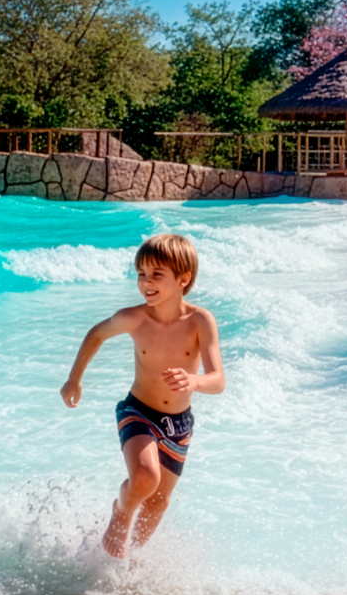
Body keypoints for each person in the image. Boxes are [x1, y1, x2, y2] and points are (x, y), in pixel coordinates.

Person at [60, 234, 225, 558]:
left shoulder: (200, 321)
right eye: (141, 274)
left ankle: (130, 560)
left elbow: (218, 381)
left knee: (159, 502)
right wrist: (74, 379)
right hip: (138, 412)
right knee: (145, 478)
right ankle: (121, 511)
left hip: (179, 424)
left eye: (156, 274)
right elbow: (97, 334)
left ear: (183, 279)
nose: (146, 282)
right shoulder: (134, 318)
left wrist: (194, 380)